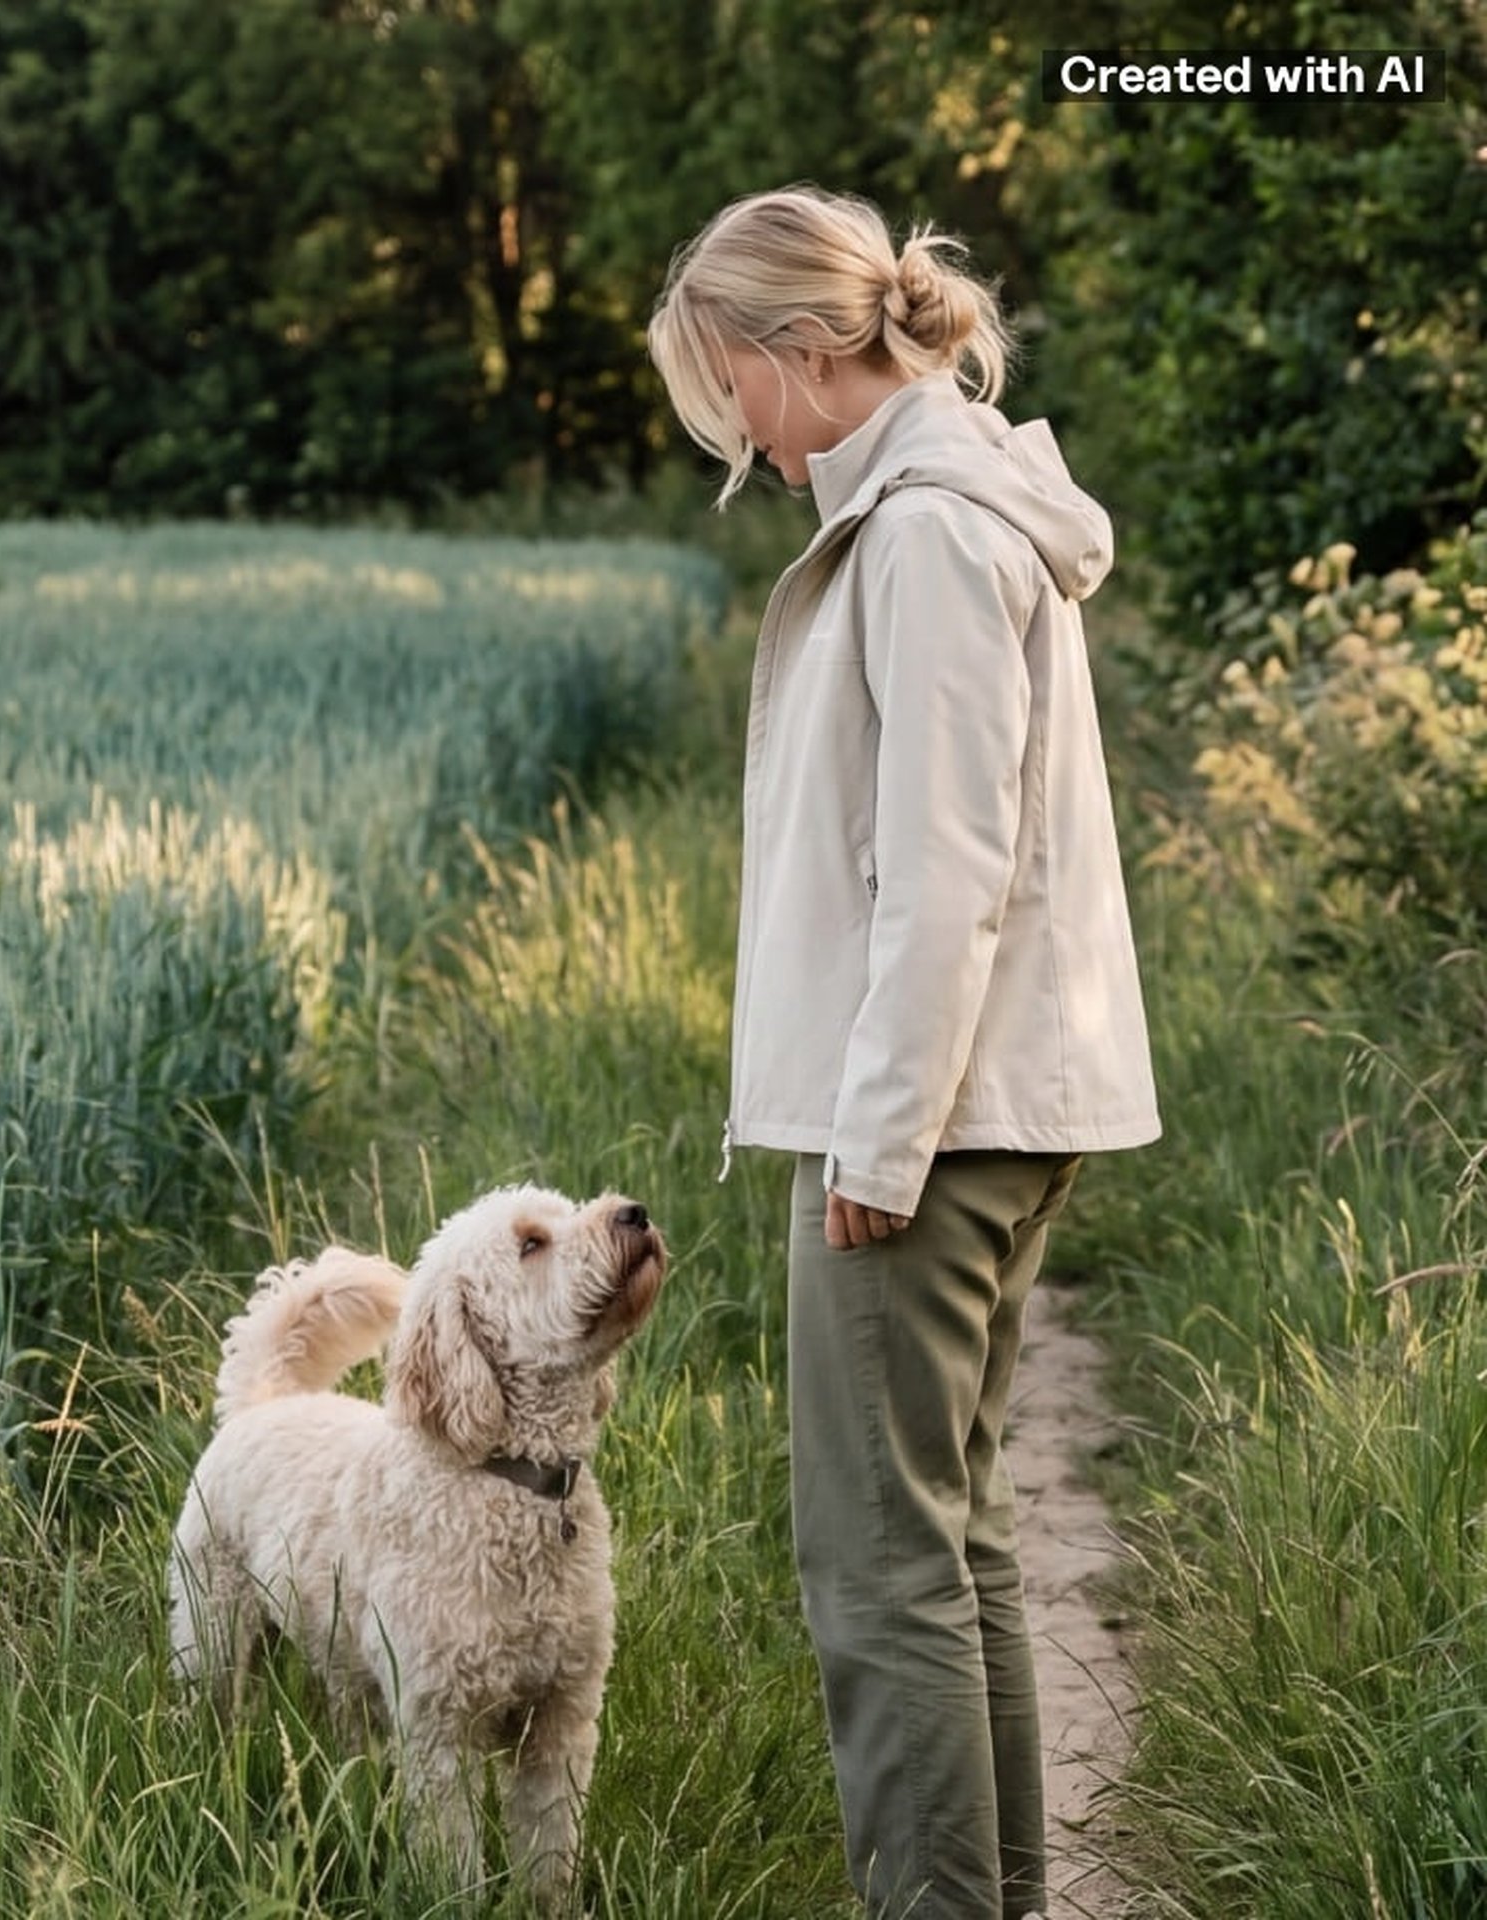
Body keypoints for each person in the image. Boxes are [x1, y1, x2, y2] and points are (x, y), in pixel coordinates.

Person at [647, 185, 1160, 1920]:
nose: (730, 432)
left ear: (801, 350)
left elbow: (945, 874)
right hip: (985, 1105)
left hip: (930, 1127)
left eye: (726, 388)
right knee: (956, 1546)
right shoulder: (950, 503)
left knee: (879, 1575)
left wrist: (874, 1142)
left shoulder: (931, 530)